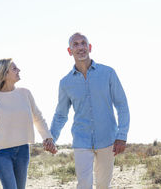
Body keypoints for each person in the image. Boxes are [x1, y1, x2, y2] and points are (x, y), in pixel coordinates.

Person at [50, 33, 130, 189]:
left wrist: (122, 135)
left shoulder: (108, 73)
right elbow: (61, 114)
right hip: (81, 140)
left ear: (90, 47)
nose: (80, 47)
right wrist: (51, 137)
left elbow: (122, 105)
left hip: (107, 139)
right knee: (84, 184)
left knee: (103, 185)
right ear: (69, 50)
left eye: (83, 43)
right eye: (76, 44)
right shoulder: (65, 83)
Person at [0, 58, 57, 189]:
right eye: (14, 68)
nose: (18, 70)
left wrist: (47, 137)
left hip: (22, 150)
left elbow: (37, 117)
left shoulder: (25, 93)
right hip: (1, 152)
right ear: (4, 74)